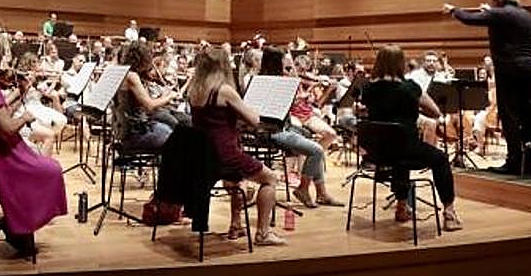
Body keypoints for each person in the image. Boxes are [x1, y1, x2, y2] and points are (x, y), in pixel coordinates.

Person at [0, 26, 67, 255]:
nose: (4, 58)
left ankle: (16, 223)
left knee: (46, 167)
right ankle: (16, 223)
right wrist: (26, 116)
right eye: (2, 53)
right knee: (50, 170)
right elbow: (8, 127)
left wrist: (19, 94)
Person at [187, 47, 287, 246]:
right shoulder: (224, 91)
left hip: (203, 154)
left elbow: (214, 121)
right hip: (224, 153)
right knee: (270, 179)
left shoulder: (195, 90)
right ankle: (263, 233)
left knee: (237, 180)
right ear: (223, 66)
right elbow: (253, 120)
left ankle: (236, 225)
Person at [361, 45, 462, 230]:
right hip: (405, 148)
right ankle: (449, 212)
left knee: (398, 149)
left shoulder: (367, 88)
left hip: (377, 152)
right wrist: (415, 106)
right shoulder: (409, 88)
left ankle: (401, 207)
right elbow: (435, 111)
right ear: (401, 63)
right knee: (439, 159)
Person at [444, 0, 531, 176]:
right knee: (528, 115)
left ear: (498, 0)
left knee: (509, 115)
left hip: (510, 68)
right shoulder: (526, 15)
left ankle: (514, 162)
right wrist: (491, 12)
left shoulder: (500, 13)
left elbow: (469, 19)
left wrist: (454, 10)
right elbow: (502, 23)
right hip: (530, 68)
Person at [258, 47, 343, 208]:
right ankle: (303, 189)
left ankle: (322, 193)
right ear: (277, 63)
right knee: (317, 150)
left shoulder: (266, 80)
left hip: (280, 128)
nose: (287, 66)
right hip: (275, 131)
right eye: (284, 62)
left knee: (315, 149)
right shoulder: (277, 82)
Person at [113, 40, 180, 153]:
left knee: (172, 128)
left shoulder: (122, 72)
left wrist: (162, 94)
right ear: (142, 59)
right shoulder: (132, 76)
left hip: (125, 129)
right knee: (179, 138)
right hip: (136, 133)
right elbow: (149, 106)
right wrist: (170, 96)